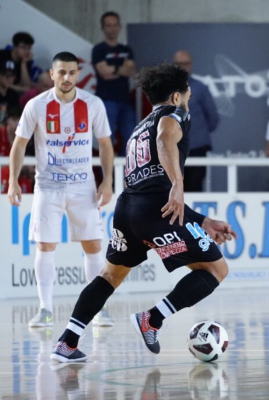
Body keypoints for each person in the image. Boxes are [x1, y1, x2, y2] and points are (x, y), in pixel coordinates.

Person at [49, 63, 237, 363]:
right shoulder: (176, 114)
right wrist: (178, 185)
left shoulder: (140, 127)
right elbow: (165, 139)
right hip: (155, 210)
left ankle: (67, 342)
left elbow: (151, 185)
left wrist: (203, 221)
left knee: (109, 276)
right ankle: (153, 319)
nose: (189, 99)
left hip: (128, 209)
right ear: (176, 97)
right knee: (216, 270)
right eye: (187, 94)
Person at [7, 52, 115, 329]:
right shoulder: (36, 105)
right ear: (52, 74)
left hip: (83, 186)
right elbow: (19, 144)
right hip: (48, 186)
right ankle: (45, 310)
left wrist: (107, 181)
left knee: (93, 245)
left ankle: (97, 310)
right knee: (45, 246)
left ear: (78, 73)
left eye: (72, 72)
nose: (67, 77)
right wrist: (13, 180)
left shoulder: (92, 104)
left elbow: (105, 144)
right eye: (62, 72)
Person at [172, 50, 219, 192]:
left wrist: (197, 131)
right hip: (172, 148)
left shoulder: (200, 88)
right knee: (172, 190)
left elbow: (213, 117)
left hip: (197, 146)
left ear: (191, 65)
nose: (183, 67)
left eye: (186, 64)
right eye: (179, 64)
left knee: (195, 188)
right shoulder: (164, 88)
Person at [92, 11, 136, 156]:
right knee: (106, 138)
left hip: (125, 100)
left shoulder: (126, 49)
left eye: (115, 25)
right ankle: (108, 170)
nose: (112, 28)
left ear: (119, 27)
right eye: (108, 25)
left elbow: (130, 70)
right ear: (103, 28)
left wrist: (113, 69)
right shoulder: (99, 49)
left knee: (131, 137)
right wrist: (120, 68)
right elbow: (104, 73)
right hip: (106, 100)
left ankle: (125, 169)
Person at [0, 106, 34, 194]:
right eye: (14, 119)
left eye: (20, 121)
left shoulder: (26, 139)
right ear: (7, 120)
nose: (17, 124)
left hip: (16, 177)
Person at [0, 58, 20, 129]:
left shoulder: (13, 95)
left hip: (8, 131)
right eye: (5, 74)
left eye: (12, 75)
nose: (9, 78)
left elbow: (17, 119)